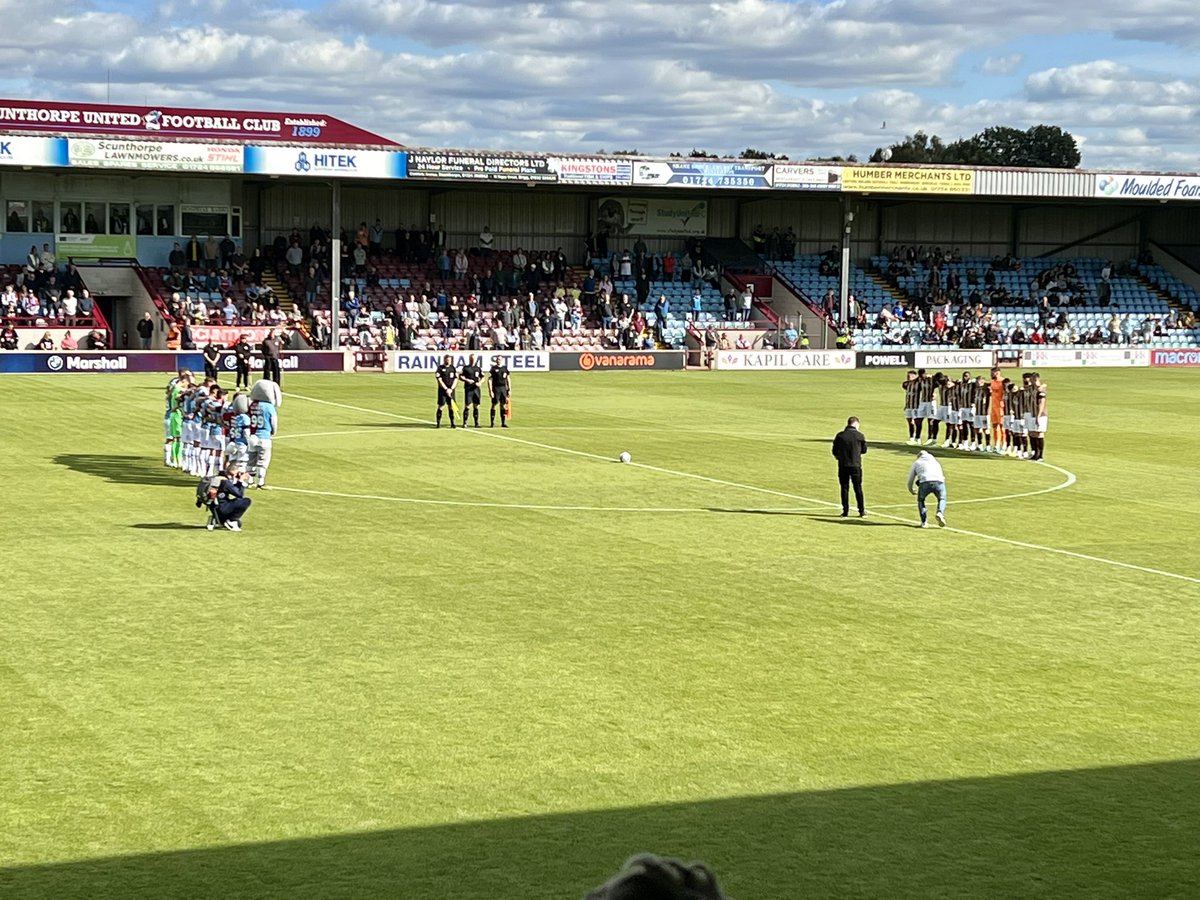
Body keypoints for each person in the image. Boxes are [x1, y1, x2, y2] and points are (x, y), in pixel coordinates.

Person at [831, 415, 868, 518]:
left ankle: (845, 511)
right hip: (856, 465)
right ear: (856, 424)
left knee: (844, 488)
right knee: (858, 488)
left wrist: (839, 457)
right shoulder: (860, 436)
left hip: (843, 465)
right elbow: (864, 450)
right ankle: (861, 511)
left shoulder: (840, 436)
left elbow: (834, 450)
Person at [907, 449, 947, 528]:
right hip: (939, 481)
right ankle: (940, 512)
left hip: (925, 482)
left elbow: (910, 479)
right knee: (942, 498)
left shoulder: (917, 463)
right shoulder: (936, 462)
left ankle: (924, 522)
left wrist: (911, 490)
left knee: (921, 500)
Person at [208, 464, 252, 532]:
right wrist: (240, 481)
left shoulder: (217, 478)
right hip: (222, 507)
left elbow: (232, 489)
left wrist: (238, 482)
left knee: (239, 523)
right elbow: (239, 494)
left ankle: (216, 519)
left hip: (213, 506)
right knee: (246, 501)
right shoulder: (225, 482)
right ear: (234, 473)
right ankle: (231, 521)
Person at [459, 353, 483, 427]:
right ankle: (465, 423)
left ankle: (476, 423)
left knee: (476, 406)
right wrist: (467, 380)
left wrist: (480, 382)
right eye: (471, 359)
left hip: (476, 389)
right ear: (469, 359)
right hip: (469, 389)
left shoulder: (478, 368)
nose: (473, 360)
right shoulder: (466, 368)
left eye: (474, 359)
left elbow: (483, 377)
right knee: (467, 406)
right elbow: (460, 376)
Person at [434, 353, 458, 428]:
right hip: (443, 391)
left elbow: (456, 379)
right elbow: (439, 380)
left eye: (450, 360)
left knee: (451, 406)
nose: (448, 361)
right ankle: (438, 423)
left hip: (451, 390)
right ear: (444, 360)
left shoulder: (453, 368)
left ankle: (452, 423)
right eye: (447, 360)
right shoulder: (440, 368)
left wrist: (451, 389)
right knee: (441, 406)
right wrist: (446, 389)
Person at [1029, 371, 1048, 460]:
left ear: (1035, 379)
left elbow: (1041, 403)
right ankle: (1035, 453)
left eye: (1031, 379)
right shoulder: (1034, 389)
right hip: (1033, 413)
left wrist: (1038, 415)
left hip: (1041, 415)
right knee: (1033, 433)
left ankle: (1040, 455)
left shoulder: (1041, 390)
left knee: (1039, 433)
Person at [488, 356, 511, 427]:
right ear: (496, 360)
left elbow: (508, 379)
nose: (499, 361)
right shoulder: (494, 369)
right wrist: (491, 390)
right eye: (498, 359)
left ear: (502, 360)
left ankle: (503, 423)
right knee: (494, 404)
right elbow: (490, 380)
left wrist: (509, 389)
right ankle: (492, 422)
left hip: (503, 388)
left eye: (500, 359)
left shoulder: (504, 368)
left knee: (503, 405)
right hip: (496, 388)